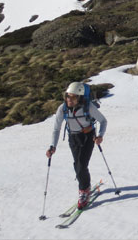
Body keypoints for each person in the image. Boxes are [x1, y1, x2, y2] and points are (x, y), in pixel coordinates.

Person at [46, 81, 107, 209]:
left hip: (88, 137)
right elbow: (56, 129)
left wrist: (100, 135)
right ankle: (85, 186)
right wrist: (53, 146)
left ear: (79, 97)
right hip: (73, 138)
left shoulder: (88, 106)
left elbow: (103, 120)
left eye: (73, 97)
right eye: (67, 96)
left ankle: (84, 191)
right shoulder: (62, 109)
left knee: (81, 164)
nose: (69, 99)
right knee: (77, 164)